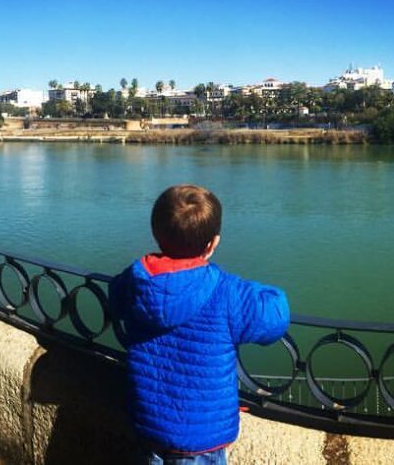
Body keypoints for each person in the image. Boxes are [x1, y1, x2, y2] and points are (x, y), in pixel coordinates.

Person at [108, 184, 289, 464]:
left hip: (147, 428)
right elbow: (276, 317)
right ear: (213, 244)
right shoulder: (227, 292)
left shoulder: (134, 282)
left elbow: (115, 296)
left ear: (157, 235)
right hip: (201, 443)